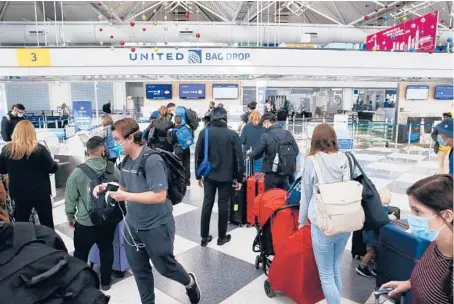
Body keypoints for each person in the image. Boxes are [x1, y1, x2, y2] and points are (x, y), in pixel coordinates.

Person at [92, 118, 201, 304]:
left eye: (117, 140)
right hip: (133, 226)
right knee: (140, 271)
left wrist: (126, 197)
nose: (114, 144)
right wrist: (107, 186)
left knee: (166, 267)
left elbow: (159, 195)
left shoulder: (152, 160)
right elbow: (125, 187)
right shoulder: (126, 161)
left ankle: (189, 282)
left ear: (131, 138)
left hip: (156, 225)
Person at [298, 123, 361, 304]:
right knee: (334, 267)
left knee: (325, 273)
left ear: (315, 140)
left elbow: (306, 193)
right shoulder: (345, 157)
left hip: (323, 222)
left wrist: (302, 220)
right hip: (346, 220)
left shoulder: (312, 161)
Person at [381, 175, 453, 304]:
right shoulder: (436, 243)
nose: (411, 218)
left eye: (417, 211)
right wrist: (410, 284)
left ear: (447, 215)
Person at [65, 136, 118, 291]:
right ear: (103, 151)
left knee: (81, 254)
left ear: (87, 151)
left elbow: (70, 198)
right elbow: (123, 187)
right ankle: (106, 282)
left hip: (85, 221)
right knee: (107, 249)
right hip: (108, 219)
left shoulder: (78, 172)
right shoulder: (112, 168)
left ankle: (82, 285)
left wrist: (70, 216)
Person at [195, 107, 245, 247]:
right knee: (223, 205)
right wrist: (239, 178)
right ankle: (221, 237)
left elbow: (198, 154)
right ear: (225, 118)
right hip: (226, 177)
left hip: (209, 175)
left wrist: (198, 175)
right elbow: (239, 159)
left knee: (207, 203)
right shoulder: (232, 134)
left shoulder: (204, 133)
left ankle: (204, 237)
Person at [0, 120, 58, 229]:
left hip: (19, 192)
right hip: (40, 192)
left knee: (21, 222)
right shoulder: (39, 149)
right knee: (47, 222)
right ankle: (50, 243)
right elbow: (52, 168)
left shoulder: (7, 150)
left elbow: (2, 170)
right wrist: (55, 163)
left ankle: (22, 243)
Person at [248, 113, 299, 190]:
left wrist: (250, 154)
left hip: (271, 174)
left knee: (270, 197)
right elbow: (296, 151)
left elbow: (257, 154)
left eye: (263, 124)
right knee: (282, 197)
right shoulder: (287, 133)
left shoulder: (265, 135)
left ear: (267, 122)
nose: (263, 127)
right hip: (285, 174)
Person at [356, 189, 397, 278]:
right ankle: (361, 267)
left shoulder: (376, 206)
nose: (390, 197)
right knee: (371, 253)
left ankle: (376, 268)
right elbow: (380, 219)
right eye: (389, 196)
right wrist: (389, 217)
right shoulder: (380, 209)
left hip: (370, 236)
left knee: (376, 253)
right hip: (372, 237)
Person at [168, 115, 191, 186]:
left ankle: (180, 180)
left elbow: (170, 141)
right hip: (186, 148)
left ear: (174, 121)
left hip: (177, 149)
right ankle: (187, 181)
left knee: (178, 165)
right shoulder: (186, 128)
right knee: (187, 164)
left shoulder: (172, 130)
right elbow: (191, 137)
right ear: (181, 121)